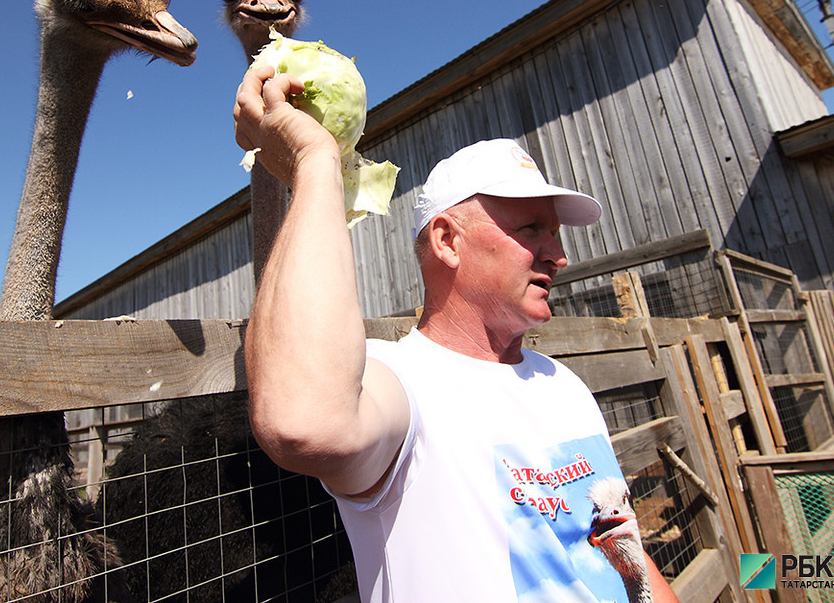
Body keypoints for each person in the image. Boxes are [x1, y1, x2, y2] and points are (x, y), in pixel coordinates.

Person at [233, 65, 680, 603]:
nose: (558, 256)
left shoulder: (565, 386)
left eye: (555, 234)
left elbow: (621, 553)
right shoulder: (399, 383)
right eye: (530, 229)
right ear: (447, 241)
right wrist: (314, 162)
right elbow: (303, 421)